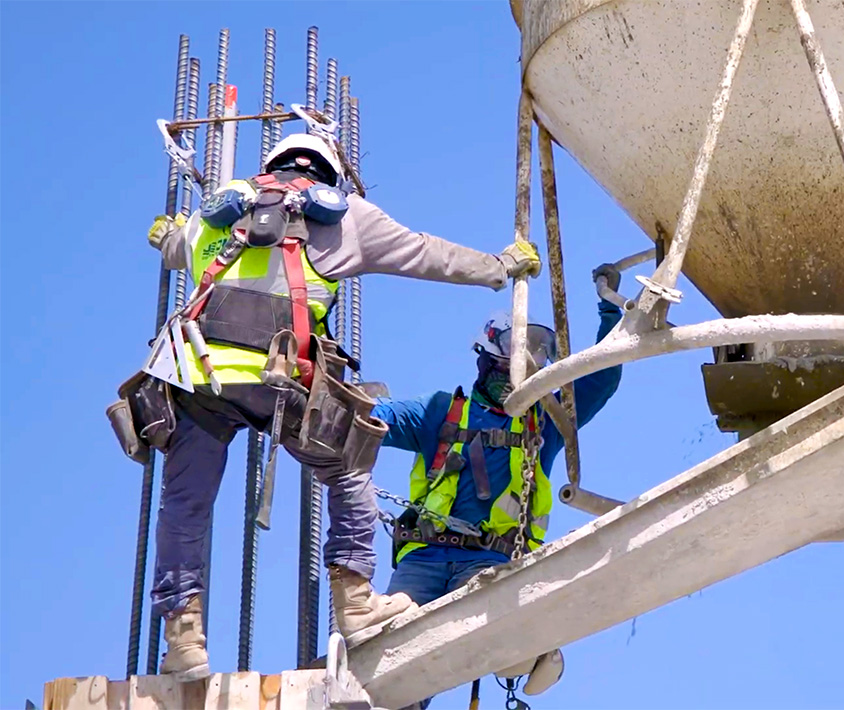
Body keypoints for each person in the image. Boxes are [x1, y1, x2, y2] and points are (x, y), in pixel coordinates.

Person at [119, 132, 542, 682]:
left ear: (269, 168)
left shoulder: (219, 213)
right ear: (328, 172)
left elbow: (176, 247)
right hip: (281, 379)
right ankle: (355, 602)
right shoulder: (344, 217)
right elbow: (423, 253)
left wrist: (166, 237)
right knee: (349, 471)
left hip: (197, 379)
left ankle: (183, 640)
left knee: (185, 506)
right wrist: (500, 266)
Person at [370, 266, 625, 706]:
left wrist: (611, 312)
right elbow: (377, 419)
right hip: (425, 559)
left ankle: (532, 645)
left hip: (491, 562)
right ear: (487, 357)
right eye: (516, 350)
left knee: (488, 637)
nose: (526, 363)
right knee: (389, 670)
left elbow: (601, 378)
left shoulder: (544, 420)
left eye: (537, 353)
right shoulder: (440, 413)